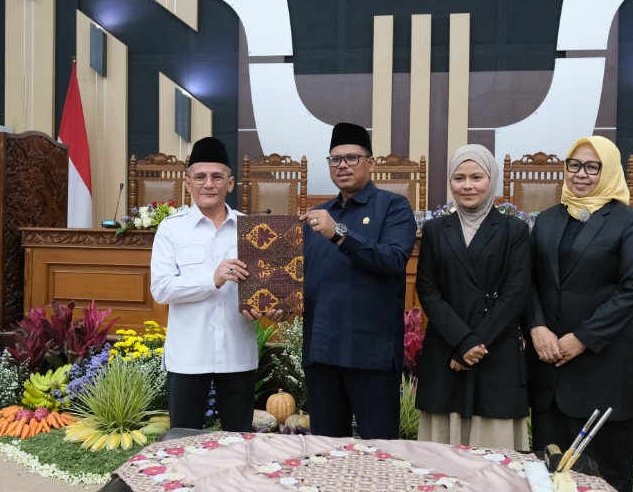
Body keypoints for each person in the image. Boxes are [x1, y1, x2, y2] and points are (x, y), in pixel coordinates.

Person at [524, 136, 633, 492]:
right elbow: (529, 280)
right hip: (550, 364)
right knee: (550, 471)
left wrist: (583, 337)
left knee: (603, 475)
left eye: (592, 167)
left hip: (603, 365)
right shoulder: (547, 219)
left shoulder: (628, 221)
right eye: (574, 165)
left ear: (608, 171)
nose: (581, 174)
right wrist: (536, 327)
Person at [150, 137, 281, 432]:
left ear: (230, 183)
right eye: (200, 177)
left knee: (238, 440)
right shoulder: (172, 229)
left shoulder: (252, 230)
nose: (208, 184)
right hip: (188, 356)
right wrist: (212, 279)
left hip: (237, 354)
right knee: (184, 440)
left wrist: (270, 307)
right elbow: (161, 289)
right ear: (188, 183)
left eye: (217, 177)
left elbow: (267, 289)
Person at [300, 122, 417, 439]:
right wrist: (283, 302)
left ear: (371, 163)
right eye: (335, 159)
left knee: (380, 452)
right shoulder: (317, 215)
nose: (342, 165)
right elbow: (302, 276)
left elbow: (393, 260)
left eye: (352, 158)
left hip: (370, 352)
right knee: (325, 452)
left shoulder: (393, 207)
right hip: (321, 351)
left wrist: (338, 233)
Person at [415, 145, 530, 449]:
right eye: (459, 178)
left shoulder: (514, 229)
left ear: (491, 180)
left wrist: (475, 344)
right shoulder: (435, 229)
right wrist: (463, 341)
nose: (467, 186)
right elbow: (427, 289)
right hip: (447, 346)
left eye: (476, 177)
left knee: (494, 454)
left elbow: (515, 293)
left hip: (495, 347)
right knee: (442, 456)